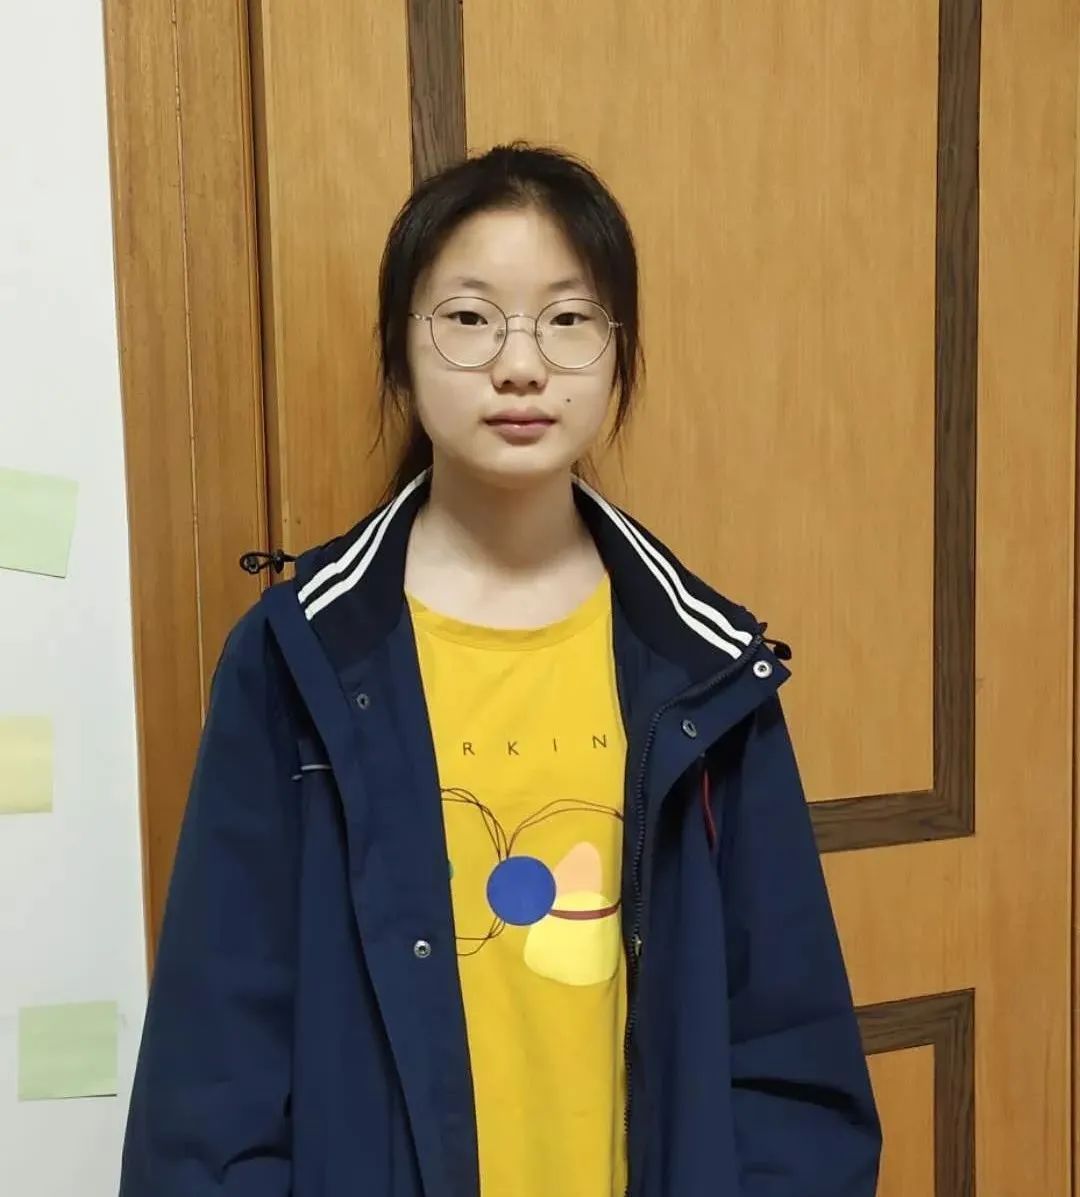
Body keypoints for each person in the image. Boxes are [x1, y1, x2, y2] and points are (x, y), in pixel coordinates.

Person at [119, 143, 881, 1197]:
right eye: (470, 318)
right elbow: (215, 1065)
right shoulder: (297, 654)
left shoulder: (705, 664)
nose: (521, 365)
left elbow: (790, 1045)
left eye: (567, 320)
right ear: (400, 351)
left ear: (619, 355)